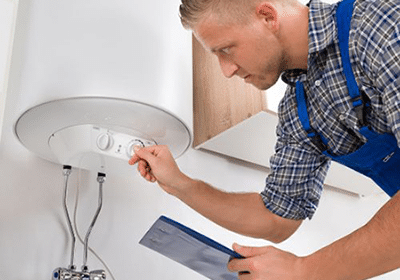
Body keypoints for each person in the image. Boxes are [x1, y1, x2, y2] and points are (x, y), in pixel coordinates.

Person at [129, 0, 400, 278]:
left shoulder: (379, 27)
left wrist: (303, 271)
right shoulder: (299, 111)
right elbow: (276, 219)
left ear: (268, 16)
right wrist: (179, 184)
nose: (226, 70)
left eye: (225, 49)